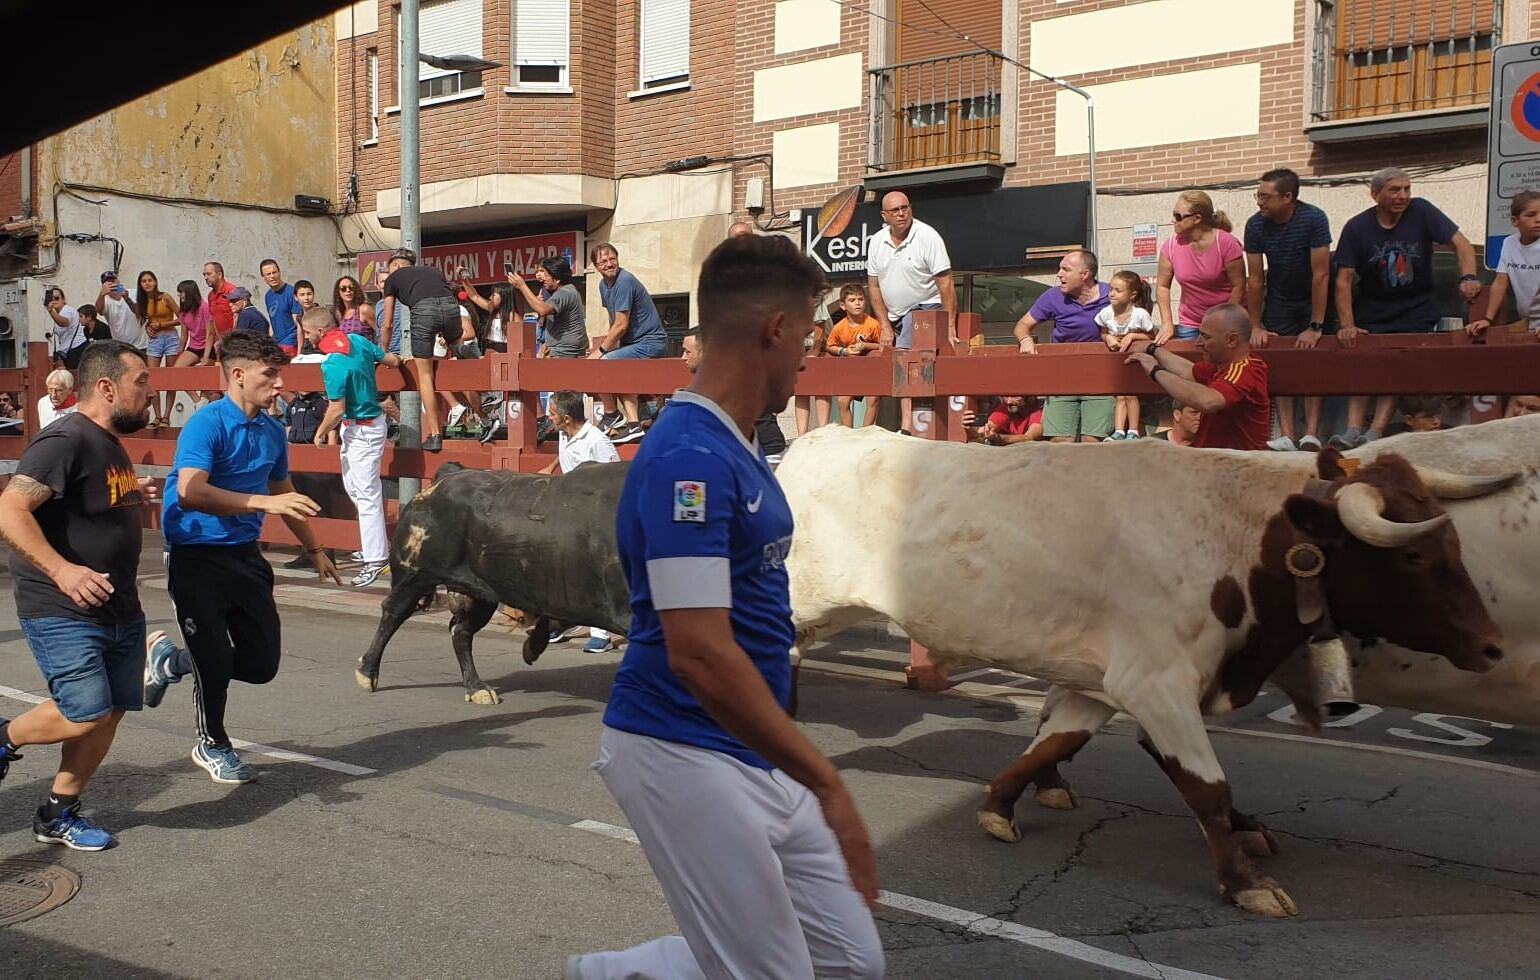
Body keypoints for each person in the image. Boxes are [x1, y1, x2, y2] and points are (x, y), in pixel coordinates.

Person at [568, 233, 881, 980]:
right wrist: (829, 782)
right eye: (806, 335)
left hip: (754, 745)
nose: (809, 356)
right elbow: (699, 650)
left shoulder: (733, 443)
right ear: (775, 330)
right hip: (680, 746)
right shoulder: (690, 462)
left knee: (849, 964)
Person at [145, 331, 340, 784]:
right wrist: (261, 506)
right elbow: (191, 490)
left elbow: (282, 494)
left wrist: (315, 549)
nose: (280, 386)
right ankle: (212, 742)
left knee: (261, 664)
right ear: (237, 374)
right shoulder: (206, 423)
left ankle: (171, 662)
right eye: (270, 376)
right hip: (195, 555)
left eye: (280, 376)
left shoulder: (272, 431)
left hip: (244, 556)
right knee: (212, 660)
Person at [0, 341, 155, 851]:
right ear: (107, 387)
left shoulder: (107, 442)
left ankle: (57, 813)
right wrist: (64, 571)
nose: (149, 395)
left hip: (119, 606)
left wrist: (135, 495)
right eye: (141, 383)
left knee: (108, 713)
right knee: (85, 709)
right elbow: (10, 510)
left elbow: (90, 503)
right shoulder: (64, 437)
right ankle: (4, 738)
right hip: (62, 606)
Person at [1331, 167, 1480, 448]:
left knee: (1396, 366)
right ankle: (1352, 430)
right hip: (1373, 308)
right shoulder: (1357, 227)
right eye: (1394, 190)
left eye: (1406, 189)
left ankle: (1374, 431)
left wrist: (1468, 277)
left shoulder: (1422, 211)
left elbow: (1461, 244)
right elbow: (1343, 279)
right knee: (1362, 363)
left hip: (1417, 307)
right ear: (1375, 195)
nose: (1403, 196)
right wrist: (1347, 325)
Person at [304, 306, 402, 588]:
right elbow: (389, 359)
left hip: (362, 428)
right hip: (362, 426)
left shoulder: (332, 362)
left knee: (367, 493)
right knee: (355, 487)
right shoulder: (358, 341)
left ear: (321, 332)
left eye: (309, 332)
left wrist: (321, 432)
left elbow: (336, 408)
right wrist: (398, 361)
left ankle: (376, 558)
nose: (307, 336)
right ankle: (375, 547)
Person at [1244, 167, 1333, 452]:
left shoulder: (1313, 219)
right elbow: (1255, 278)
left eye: (1265, 197)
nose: (1260, 202)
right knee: (1280, 360)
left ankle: (1311, 434)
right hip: (1279, 298)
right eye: (1258, 195)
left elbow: (1321, 274)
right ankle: (1287, 433)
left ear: (1287, 197)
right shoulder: (1255, 225)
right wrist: (1255, 324)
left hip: (1311, 296)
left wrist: (1315, 325)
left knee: (1313, 362)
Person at [538, 388, 623, 654]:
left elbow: (613, 477)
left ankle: (602, 633)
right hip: (569, 513)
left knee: (595, 572)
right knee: (566, 568)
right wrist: (552, 468)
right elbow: (566, 455)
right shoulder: (566, 434)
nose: (548, 418)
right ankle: (568, 619)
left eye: (552, 414)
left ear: (565, 418)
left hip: (595, 518)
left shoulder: (597, 441)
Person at [866, 191, 956, 433]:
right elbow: (873, 285)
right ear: (884, 215)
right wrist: (884, 325)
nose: (901, 213)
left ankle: (906, 426)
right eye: (894, 210)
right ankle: (870, 425)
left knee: (905, 355)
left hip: (925, 307)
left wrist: (949, 324)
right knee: (882, 361)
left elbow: (945, 281)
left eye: (905, 208)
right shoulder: (876, 241)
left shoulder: (927, 236)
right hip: (894, 314)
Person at [1126, 303, 1271, 451]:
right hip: (1215, 463)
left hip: (1238, 468)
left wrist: (1155, 371)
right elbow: (1187, 371)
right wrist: (1153, 349)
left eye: (1205, 337)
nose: (1198, 343)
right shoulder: (1220, 366)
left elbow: (1207, 401)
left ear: (1232, 340)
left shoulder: (1246, 370)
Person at [1014, 250, 1115, 443]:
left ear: (1085, 274)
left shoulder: (1112, 295)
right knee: (1060, 443)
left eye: (1065, 269)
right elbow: (1022, 325)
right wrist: (1025, 339)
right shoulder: (1052, 296)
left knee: (1093, 443)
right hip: (1061, 378)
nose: (1059, 274)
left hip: (1100, 377)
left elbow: (1138, 320)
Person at [379, 248, 471, 453]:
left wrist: (382, 352)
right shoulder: (432, 271)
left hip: (423, 310)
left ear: (394, 266)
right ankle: (461, 349)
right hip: (450, 307)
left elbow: (387, 324)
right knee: (457, 347)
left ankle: (435, 434)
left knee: (425, 376)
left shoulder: (393, 279)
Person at [590, 242, 668, 444]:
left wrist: (601, 350)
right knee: (618, 366)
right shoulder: (603, 285)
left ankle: (613, 415)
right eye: (603, 261)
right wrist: (612, 347)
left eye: (611, 259)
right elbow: (613, 320)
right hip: (635, 344)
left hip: (651, 341)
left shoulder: (624, 281)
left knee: (602, 364)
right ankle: (633, 424)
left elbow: (621, 325)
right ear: (596, 267)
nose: (608, 264)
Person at [680, 326, 787, 463]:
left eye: (687, 352)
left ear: (704, 353)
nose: (683, 357)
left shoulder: (722, 380)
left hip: (765, 455)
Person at [1157, 190, 1244, 343]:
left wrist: (1224, 320)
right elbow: (1162, 286)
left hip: (1226, 322)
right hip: (1191, 323)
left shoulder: (1226, 243)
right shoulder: (1170, 245)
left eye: (1178, 216)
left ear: (1197, 218)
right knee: (1192, 366)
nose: (1173, 220)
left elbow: (1240, 285)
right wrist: (1167, 323)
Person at [1095, 270, 1156, 440]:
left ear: (1132, 294)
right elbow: (1103, 332)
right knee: (1120, 394)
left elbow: (1152, 336)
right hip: (1117, 359)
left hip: (1134, 359)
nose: (1112, 294)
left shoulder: (1140, 315)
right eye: (1111, 289)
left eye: (1118, 290)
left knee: (1131, 393)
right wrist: (1108, 338)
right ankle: (1119, 430)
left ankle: (1134, 430)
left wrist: (1132, 336)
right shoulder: (1106, 313)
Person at [1471, 190, 1540, 338]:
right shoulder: (1509, 244)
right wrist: (1488, 319)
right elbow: (1501, 283)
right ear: (1515, 221)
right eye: (1531, 215)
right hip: (1530, 323)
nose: (1538, 219)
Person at [824, 284, 882, 427]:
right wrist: (844, 351)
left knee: (873, 398)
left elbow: (884, 346)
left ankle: (866, 433)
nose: (857, 303)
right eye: (852, 300)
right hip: (850, 369)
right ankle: (848, 434)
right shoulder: (839, 327)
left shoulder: (873, 324)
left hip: (871, 370)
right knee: (843, 400)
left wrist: (866, 346)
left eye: (860, 299)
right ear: (842, 305)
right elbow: (829, 346)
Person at [136, 271, 182, 427]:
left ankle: (166, 416)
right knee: (153, 378)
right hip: (155, 339)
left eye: (150, 280)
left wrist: (162, 325)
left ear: (155, 282)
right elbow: (147, 320)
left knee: (171, 377)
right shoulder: (142, 301)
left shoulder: (165, 297)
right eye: (144, 281)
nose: (147, 283)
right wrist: (149, 327)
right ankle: (157, 416)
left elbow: (182, 318)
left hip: (170, 337)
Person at [97, 271, 150, 353]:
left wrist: (127, 299)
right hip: (120, 347)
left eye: (113, 281)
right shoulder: (104, 300)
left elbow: (141, 312)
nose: (111, 284)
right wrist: (101, 294)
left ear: (118, 281)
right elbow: (99, 311)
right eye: (108, 282)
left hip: (141, 345)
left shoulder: (133, 292)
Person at [260, 259, 304, 356]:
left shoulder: (291, 293)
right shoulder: (268, 296)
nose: (272, 276)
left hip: (291, 344)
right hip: (277, 345)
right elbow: (272, 321)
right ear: (263, 277)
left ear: (279, 272)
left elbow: (299, 325)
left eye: (274, 272)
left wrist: (299, 352)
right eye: (268, 274)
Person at [44, 287, 88, 370]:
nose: (54, 300)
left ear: (63, 300)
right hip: (72, 350)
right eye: (51, 298)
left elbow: (64, 322)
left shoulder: (67, 310)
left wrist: (51, 311)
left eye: (57, 298)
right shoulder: (59, 313)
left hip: (77, 349)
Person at [978, 395, 1043, 445]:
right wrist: (985, 432)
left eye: (1015, 396)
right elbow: (990, 427)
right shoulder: (1007, 407)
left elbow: (1030, 437)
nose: (1009, 401)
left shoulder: (1039, 409)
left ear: (1029, 397)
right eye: (1006, 396)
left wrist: (1001, 439)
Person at [334, 274, 377, 344]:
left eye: (351, 287)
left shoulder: (364, 309)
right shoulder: (339, 314)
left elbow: (380, 332)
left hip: (366, 352)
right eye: (343, 288)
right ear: (338, 292)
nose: (348, 290)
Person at [203, 262, 237, 342]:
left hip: (234, 340)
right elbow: (213, 319)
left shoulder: (232, 290)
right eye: (204, 275)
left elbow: (238, 317)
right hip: (219, 341)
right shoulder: (210, 296)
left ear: (219, 275)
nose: (206, 277)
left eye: (209, 274)